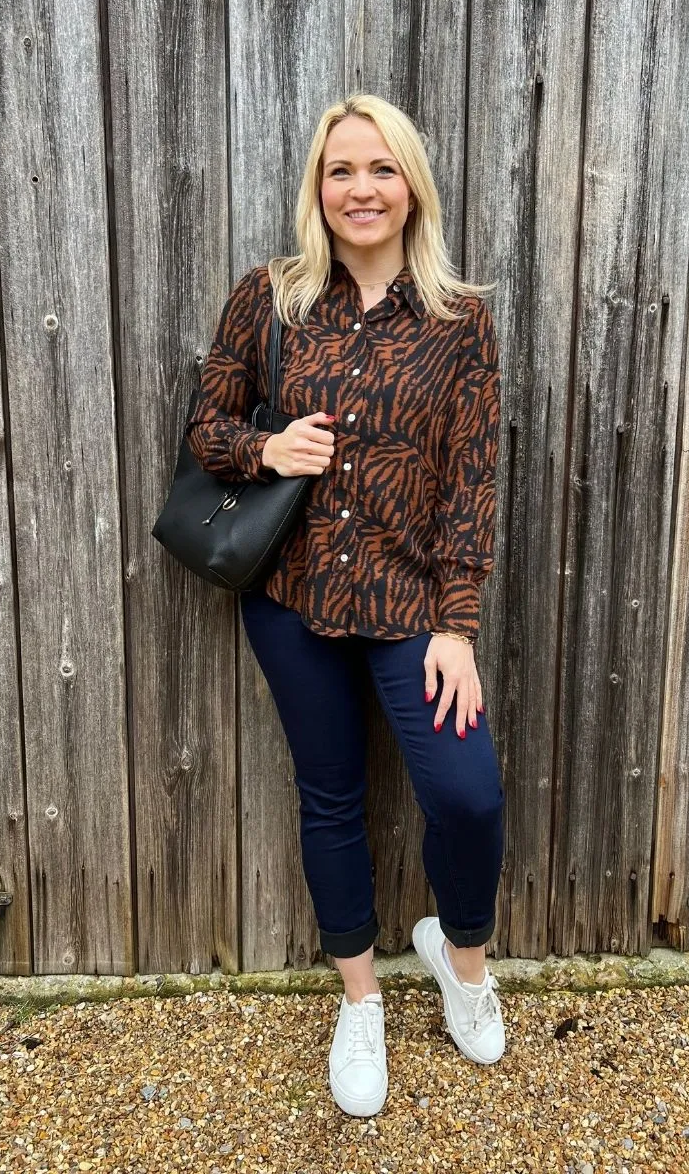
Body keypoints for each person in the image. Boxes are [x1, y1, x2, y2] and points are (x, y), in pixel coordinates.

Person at [186, 93, 506, 1118]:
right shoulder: (270, 298)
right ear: (316, 189)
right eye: (340, 171)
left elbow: (471, 481)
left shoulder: (460, 320)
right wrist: (265, 447)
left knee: (467, 794)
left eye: (380, 169)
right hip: (291, 599)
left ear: (411, 186)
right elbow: (206, 427)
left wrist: (456, 626)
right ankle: (360, 1001)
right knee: (328, 796)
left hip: (410, 605)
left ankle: (461, 962)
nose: (359, 189)